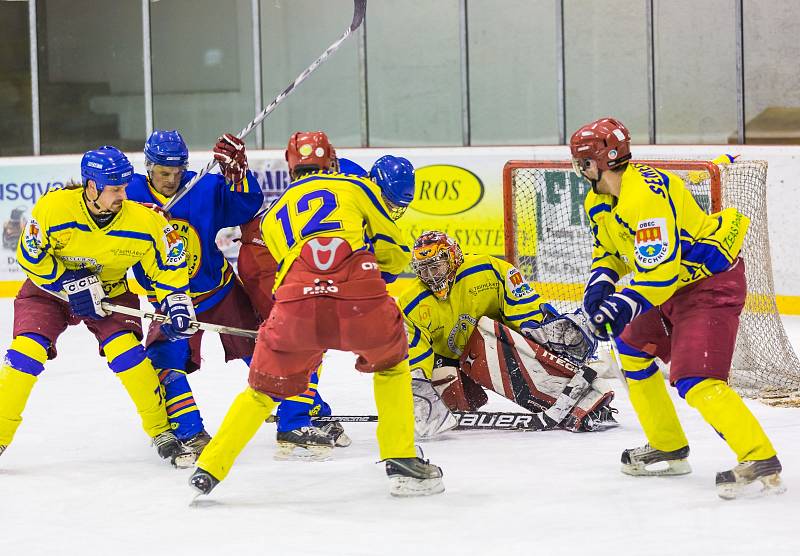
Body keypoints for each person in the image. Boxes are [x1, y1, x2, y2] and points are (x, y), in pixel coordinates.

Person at [189, 136, 445, 498]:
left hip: (297, 305)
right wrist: (378, 272)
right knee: (390, 366)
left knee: (261, 390)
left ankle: (209, 468)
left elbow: (288, 269)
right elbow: (396, 253)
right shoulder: (358, 187)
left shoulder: (276, 213)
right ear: (333, 162)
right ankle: (400, 457)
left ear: (291, 168)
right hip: (359, 299)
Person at [569, 116, 784, 499]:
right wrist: (600, 285)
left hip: (707, 284)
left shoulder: (644, 197)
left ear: (593, 163)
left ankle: (759, 456)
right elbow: (611, 252)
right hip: (669, 286)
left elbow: (661, 274)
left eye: (580, 161)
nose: (578, 168)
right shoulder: (597, 200)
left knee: (695, 380)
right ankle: (667, 444)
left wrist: (620, 305)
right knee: (631, 347)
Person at [0, 146, 195, 464]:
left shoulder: (144, 221)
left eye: (124, 187)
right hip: (49, 293)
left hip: (110, 295)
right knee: (25, 354)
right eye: (115, 188)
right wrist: (69, 281)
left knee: (129, 356)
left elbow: (169, 264)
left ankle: (161, 430)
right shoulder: (54, 208)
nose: (123, 194)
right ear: (91, 186)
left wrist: (177, 302)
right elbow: (29, 256)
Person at [126, 130, 264, 460]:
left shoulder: (203, 185)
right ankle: (190, 431)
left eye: (177, 172)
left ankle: (299, 416)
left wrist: (238, 176)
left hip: (219, 291)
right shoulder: (127, 193)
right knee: (164, 363)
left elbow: (246, 206)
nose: (171, 180)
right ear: (148, 167)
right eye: (163, 173)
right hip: (169, 299)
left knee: (265, 350)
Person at [399, 231, 614, 438]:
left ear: (453, 257)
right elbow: (416, 355)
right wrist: (418, 391)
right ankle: (453, 405)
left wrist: (542, 332)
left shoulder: (487, 270)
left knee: (484, 338)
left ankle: (577, 398)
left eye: (436, 267)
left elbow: (524, 308)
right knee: (445, 389)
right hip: (449, 362)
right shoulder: (411, 303)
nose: (431, 276)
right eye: (424, 270)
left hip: (488, 348)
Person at [235, 131, 368, 456]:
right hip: (266, 258)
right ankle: (294, 419)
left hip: (263, 252)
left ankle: (307, 407)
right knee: (306, 334)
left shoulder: (345, 178)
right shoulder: (358, 186)